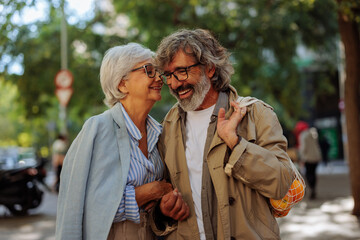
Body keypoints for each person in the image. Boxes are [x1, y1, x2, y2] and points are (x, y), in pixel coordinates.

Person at [151, 29, 295, 239]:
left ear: (209, 68)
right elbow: (162, 195)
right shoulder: (168, 125)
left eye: (182, 71)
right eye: (169, 75)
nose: (174, 84)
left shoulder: (256, 114)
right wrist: (163, 210)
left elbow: (282, 182)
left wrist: (236, 144)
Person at [55, 43, 189, 240]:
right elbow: (78, 205)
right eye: (149, 71)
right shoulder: (98, 128)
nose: (159, 78)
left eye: (158, 72)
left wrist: (164, 206)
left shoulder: (161, 132)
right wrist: (149, 191)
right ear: (121, 84)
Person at [299, 126, 322, 200]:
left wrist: (301, 156)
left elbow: (303, 148)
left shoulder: (303, 136)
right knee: (313, 173)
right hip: (316, 157)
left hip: (308, 158)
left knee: (308, 174)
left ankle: (311, 188)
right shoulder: (314, 134)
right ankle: (313, 188)